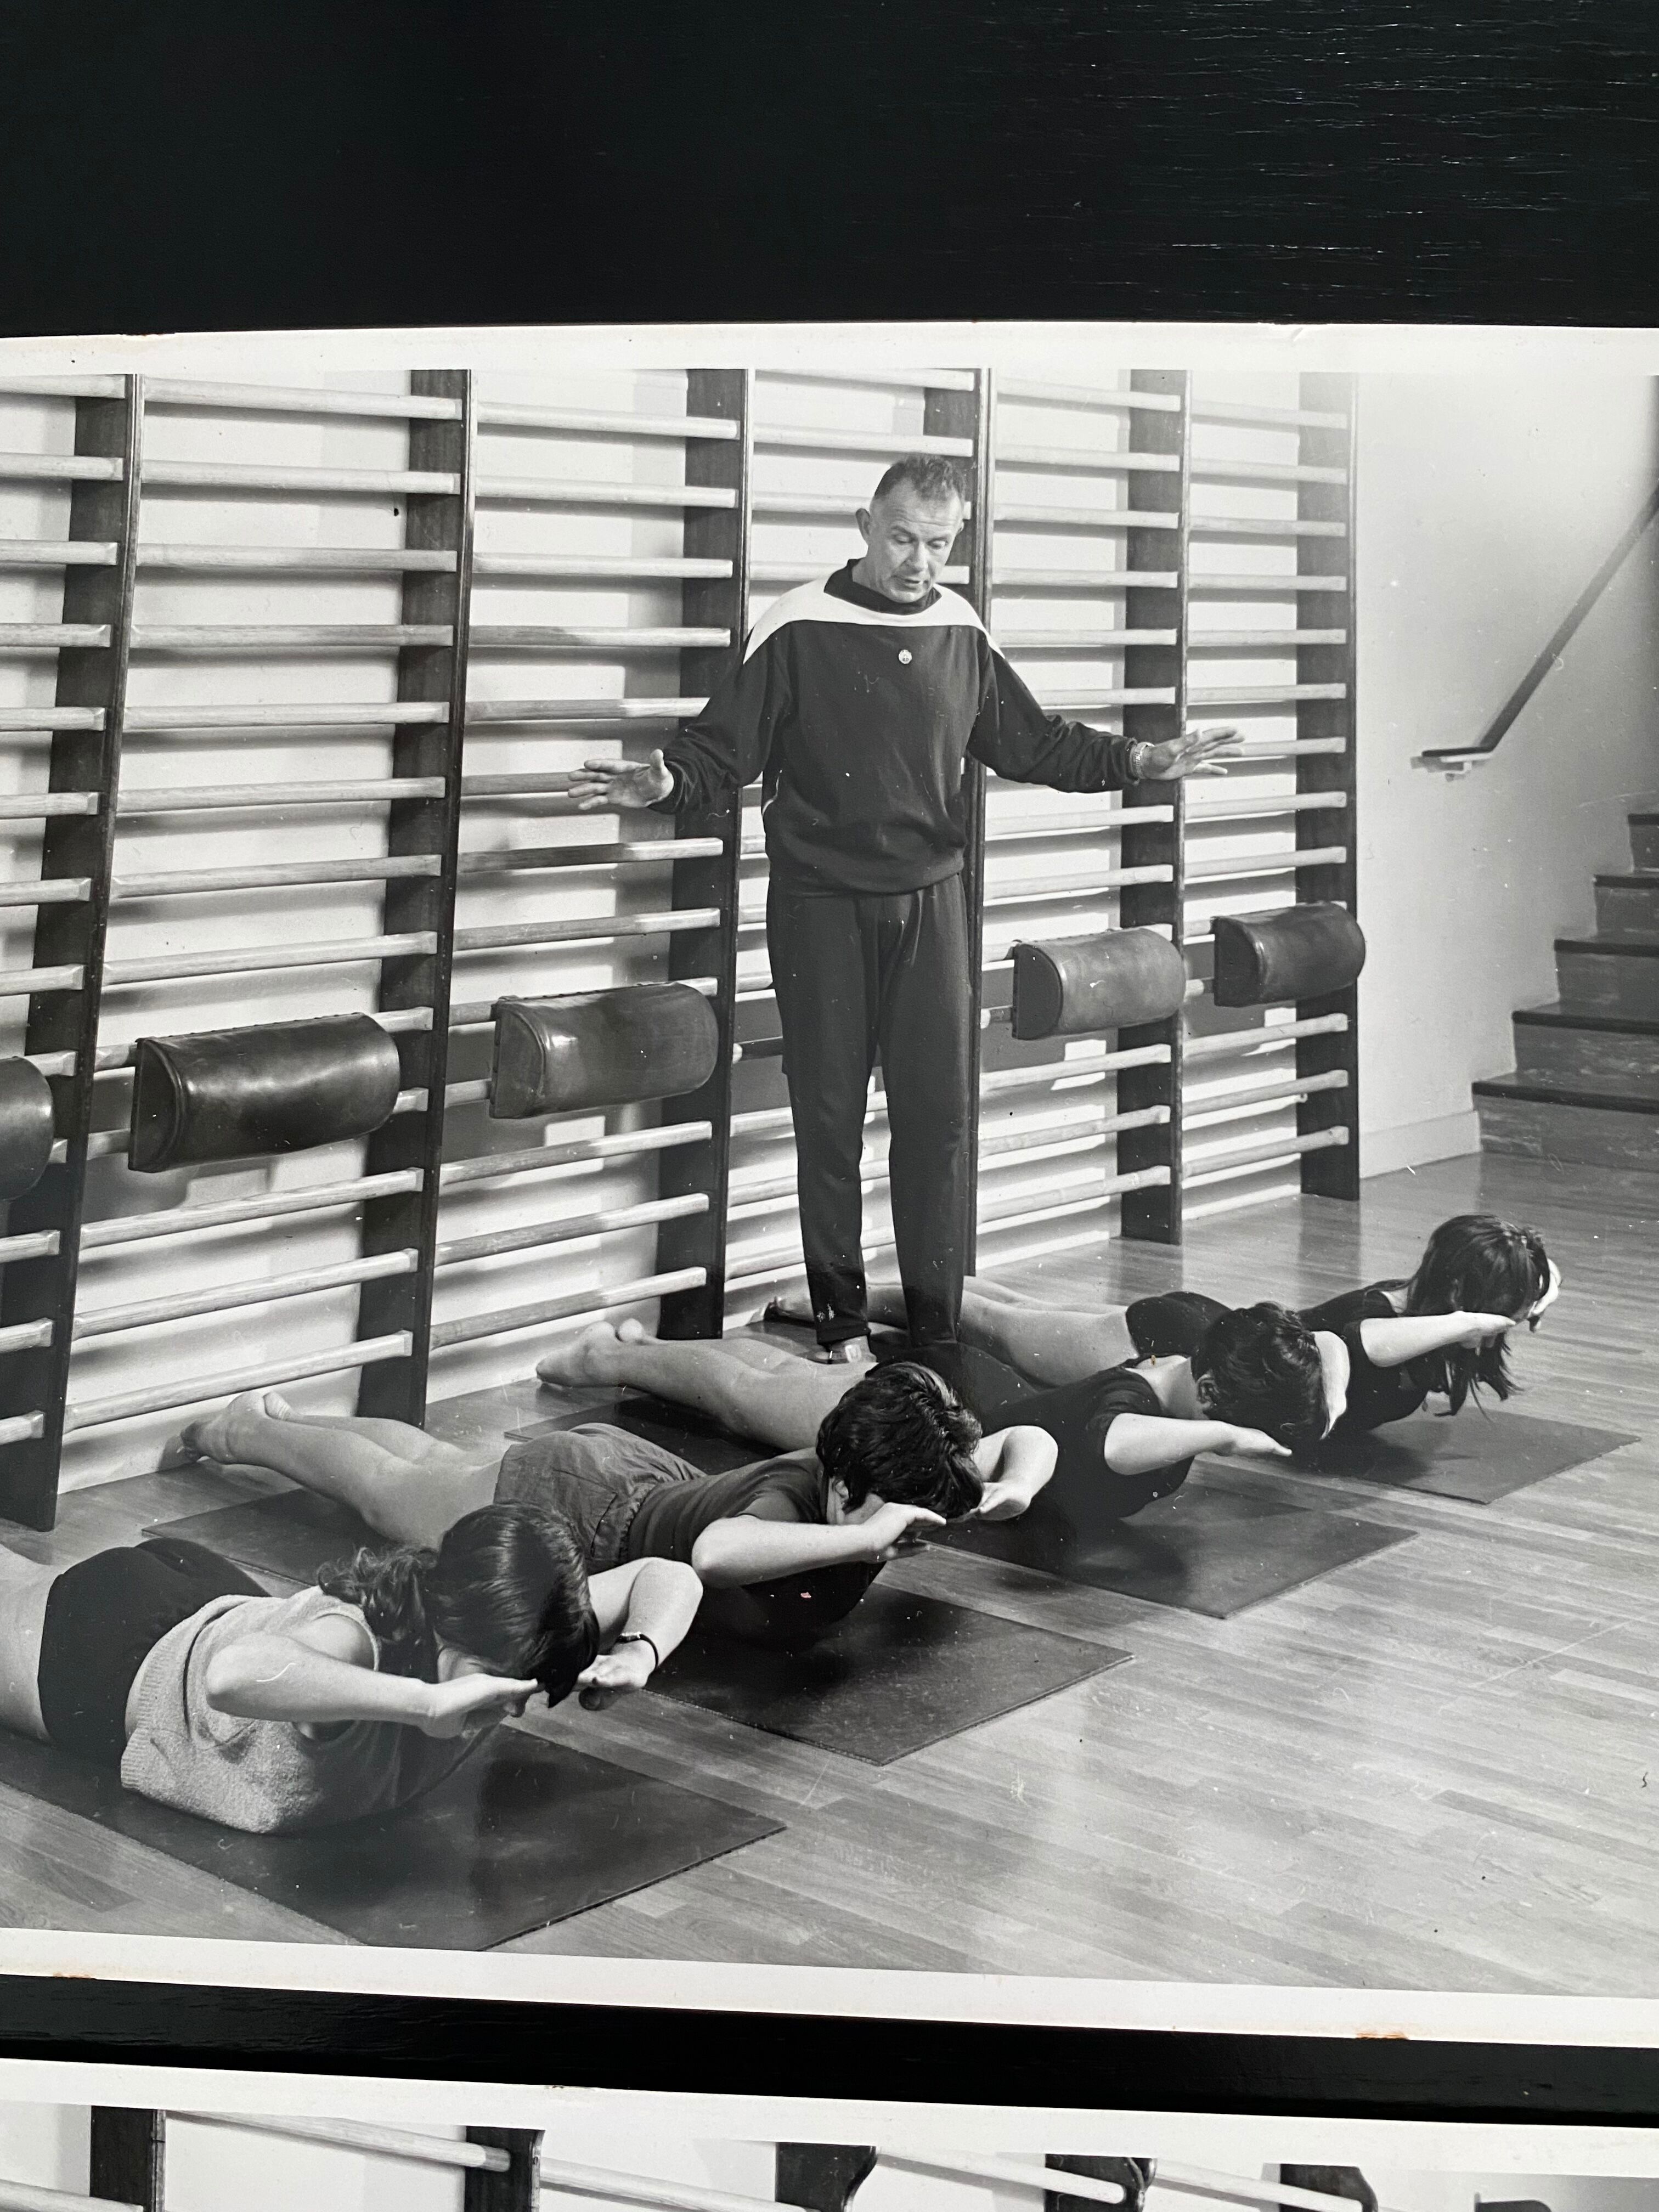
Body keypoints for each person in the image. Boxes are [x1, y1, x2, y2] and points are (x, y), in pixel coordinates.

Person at [565, 455, 1239, 1363]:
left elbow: (1033, 743)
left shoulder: (959, 628)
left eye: (936, 544)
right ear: (861, 523)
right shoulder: (799, 624)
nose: (917, 561)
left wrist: (1142, 761)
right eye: (899, 539)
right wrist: (661, 782)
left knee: (939, 1120)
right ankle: (839, 1326)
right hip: (820, 906)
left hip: (933, 905)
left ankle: (932, 1323)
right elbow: (718, 753)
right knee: (830, 1120)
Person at [146, 1368, 1046, 1654]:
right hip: (583, 1510)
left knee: (427, 1461)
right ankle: (243, 1437)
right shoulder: (795, 1505)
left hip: (625, 1478)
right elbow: (719, 1554)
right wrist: (868, 1536)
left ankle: (288, 1418)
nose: (917, 1535)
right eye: (903, 1518)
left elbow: (1030, 1441)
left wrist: (1009, 1489)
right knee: (393, 1494)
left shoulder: (890, 1482)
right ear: (848, 1490)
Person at [0, 1482, 701, 1836]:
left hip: (215, 1595)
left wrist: (638, 1653)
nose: (513, 1704)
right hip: (116, 1655)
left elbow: (667, 1575)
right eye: (500, 1680)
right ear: (450, 1633)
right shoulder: (360, 1641)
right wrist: (425, 1703)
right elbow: (230, 1675)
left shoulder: (515, 1637)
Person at [806, 1212, 1560, 1452]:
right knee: (1002, 1325)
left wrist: (1534, 1289)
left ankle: (860, 1307)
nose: (1515, 1324)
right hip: (1180, 1338)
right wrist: (1472, 1322)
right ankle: (834, 1302)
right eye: (1506, 1310)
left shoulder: (1440, 1322)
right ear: (1465, 1300)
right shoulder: (1390, 1322)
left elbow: (1549, 1282)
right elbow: (1351, 1344)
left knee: (1010, 1320)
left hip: (1209, 1334)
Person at [535, 1301, 1316, 1529]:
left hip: (977, 1391)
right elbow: (1113, 1439)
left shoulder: (1171, 1384)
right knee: (749, 1393)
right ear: (1213, 1396)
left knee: (769, 1377)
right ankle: (608, 1357)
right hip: (940, 1407)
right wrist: (1229, 1433)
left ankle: (643, 1345)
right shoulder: (1138, 1407)